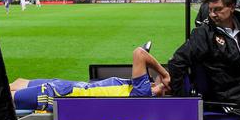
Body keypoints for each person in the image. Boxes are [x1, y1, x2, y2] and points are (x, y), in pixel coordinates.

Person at [11, 47, 170, 111]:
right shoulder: (142, 90)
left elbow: (139, 54)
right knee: (19, 82)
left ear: (163, 88)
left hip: (64, 96)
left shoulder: (143, 93)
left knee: (8, 98)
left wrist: (164, 74)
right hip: (68, 87)